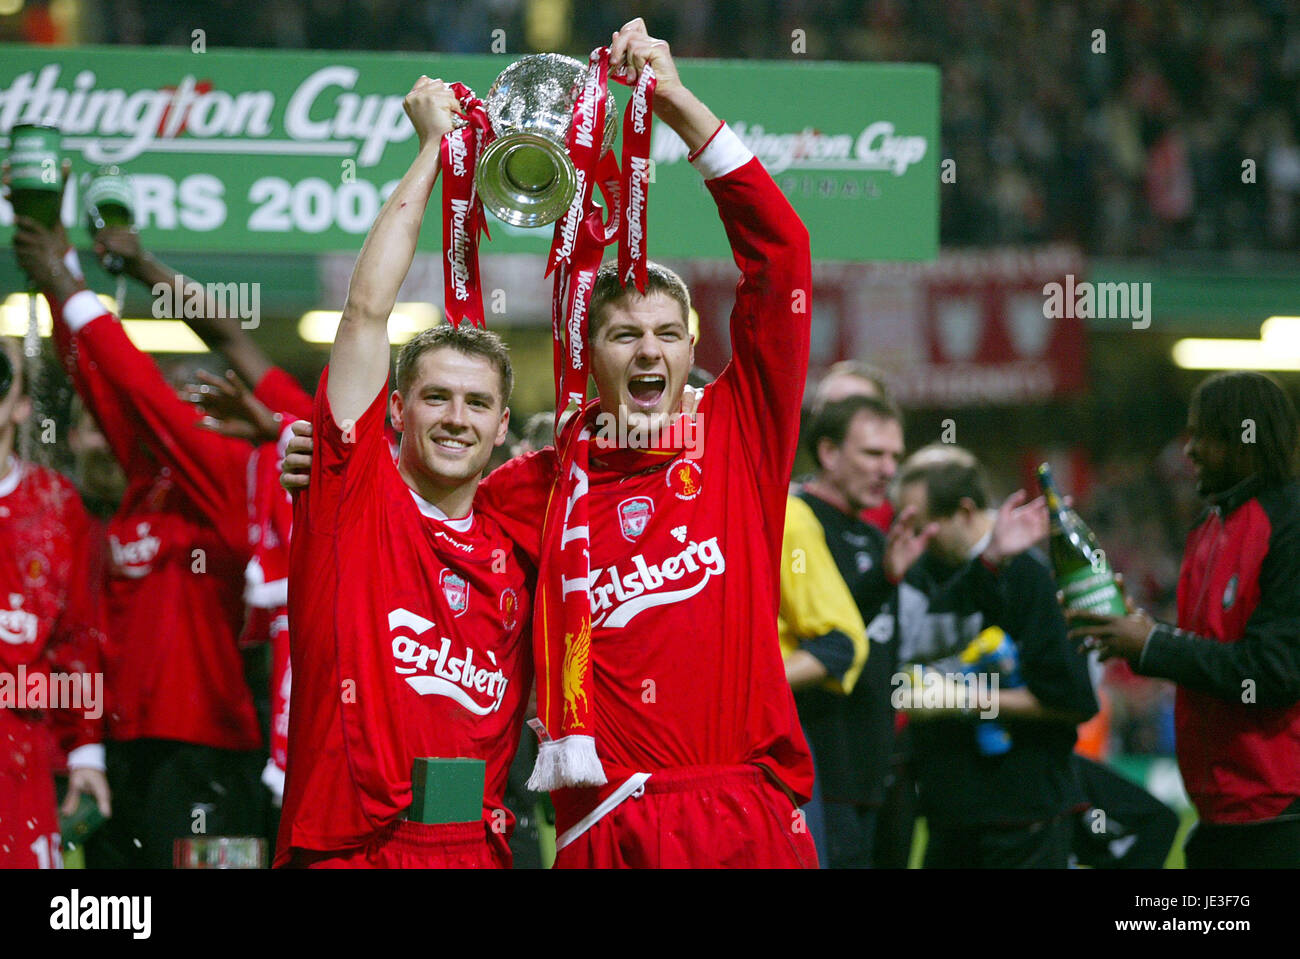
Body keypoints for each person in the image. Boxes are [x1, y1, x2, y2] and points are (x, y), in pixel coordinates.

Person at [283, 17, 820, 868]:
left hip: (739, 813)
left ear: (692, 351)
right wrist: (314, 463)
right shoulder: (529, 490)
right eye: (624, 336)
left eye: (667, 333)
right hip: (601, 826)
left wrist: (677, 106)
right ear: (585, 356)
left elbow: (782, 260)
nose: (649, 350)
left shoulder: (737, 434)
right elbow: (410, 495)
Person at [275, 76, 533, 869]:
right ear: (395, 411)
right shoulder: (352, 503)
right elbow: (365, 315)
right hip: (350, 850)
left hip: (474, 849)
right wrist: (431, 151)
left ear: (501, 428)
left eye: (477, 403)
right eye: (436, 397)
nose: (457, 417)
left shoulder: (518, 539)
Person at [13, 210, 269, 869]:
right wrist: (55, 278)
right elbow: (98, 380)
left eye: (199, 400)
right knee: (113, 914)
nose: (183, 411)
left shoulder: (232, 481)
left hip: (207, 753)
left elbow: (136, 385)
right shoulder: (142, 483)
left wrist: (70, 286)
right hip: (124, 753)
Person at [1076, 370, 1300, 868]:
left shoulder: (1289, 525)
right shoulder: (1207, 527)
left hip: (1280, 818)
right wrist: (1134, 629)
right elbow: (1209, 650)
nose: (1189, 450)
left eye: (1203, 435)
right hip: (1219, 814)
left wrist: (1153, 645)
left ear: (1246, 440)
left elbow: (1275, 670)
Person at [895, 444, 1098, 868]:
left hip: (1020, 820)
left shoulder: (1029, 576)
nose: (914, 538)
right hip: (951, 817)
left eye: (924, 524)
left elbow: (1072, 699)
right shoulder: (926, 573)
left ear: (965, 512)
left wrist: (966, 698)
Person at [0, 337, 110, 868]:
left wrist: (86, 749)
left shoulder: (54, 505)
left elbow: (76, 637)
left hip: (23, 757)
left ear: (22, 404)